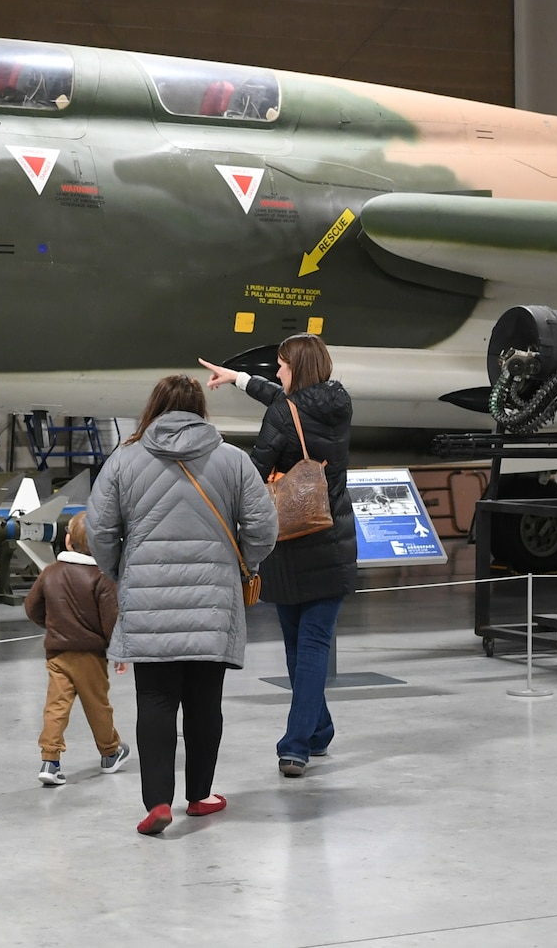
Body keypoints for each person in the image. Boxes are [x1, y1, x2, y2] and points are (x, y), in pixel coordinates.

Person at [88, 374, 276, 836]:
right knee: (204, 702)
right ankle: (200, 795)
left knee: (154, 700)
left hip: (148, 599)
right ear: (200, 411)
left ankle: (157, 803)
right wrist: (242, 564)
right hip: (213, 598)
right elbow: (263, 527)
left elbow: (98, 530)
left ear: (155, 407)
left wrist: (120, 570)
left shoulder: (123, 460)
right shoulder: (233, 460)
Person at [200, 334, 356, 779]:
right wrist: (239, 379)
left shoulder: (282, 415)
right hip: (334, 543)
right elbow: (287, 403)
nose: (278, 373)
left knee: (300, 649)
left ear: (297, 370)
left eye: (282, 366)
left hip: (288, 544)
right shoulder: (339, 404)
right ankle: (318, 730)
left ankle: (295, 747)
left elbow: (254, 467)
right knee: (309, 647)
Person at [22, 511, 131, 787]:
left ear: (67, 541)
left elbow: (32, 608)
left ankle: (50, 759)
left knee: (56, 706)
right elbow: (111, 621)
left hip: (57, 653)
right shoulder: (102, 579)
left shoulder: (50, 573)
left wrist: (52, 626)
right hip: (90, 656)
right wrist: (117, 651)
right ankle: (110, 752)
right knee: (97, 705)